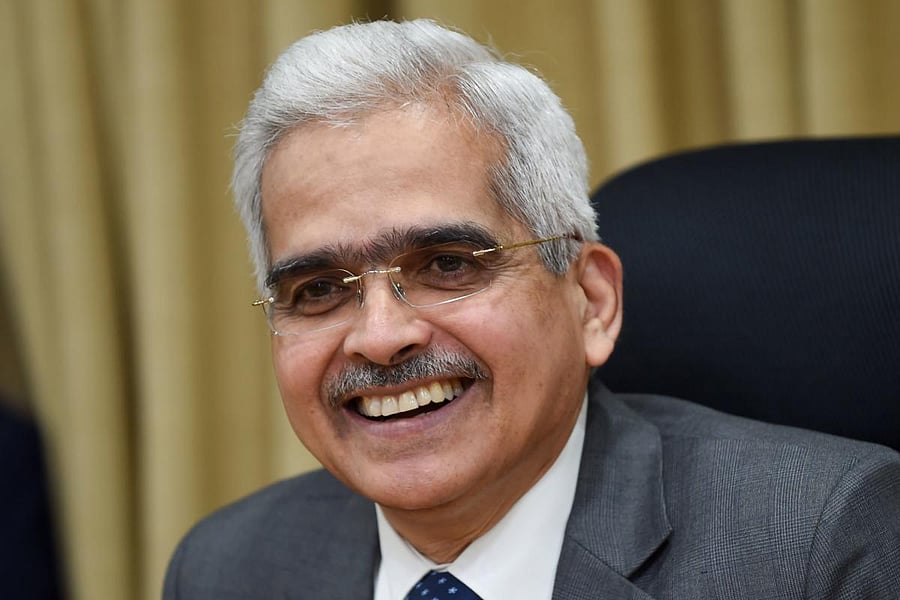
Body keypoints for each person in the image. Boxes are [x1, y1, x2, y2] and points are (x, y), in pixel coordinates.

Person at [163, 19, 900, 599]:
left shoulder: (817, 543)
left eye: (448, 265)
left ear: (592, 301)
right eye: (318, 289)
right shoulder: (228, 567)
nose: (381, 337)